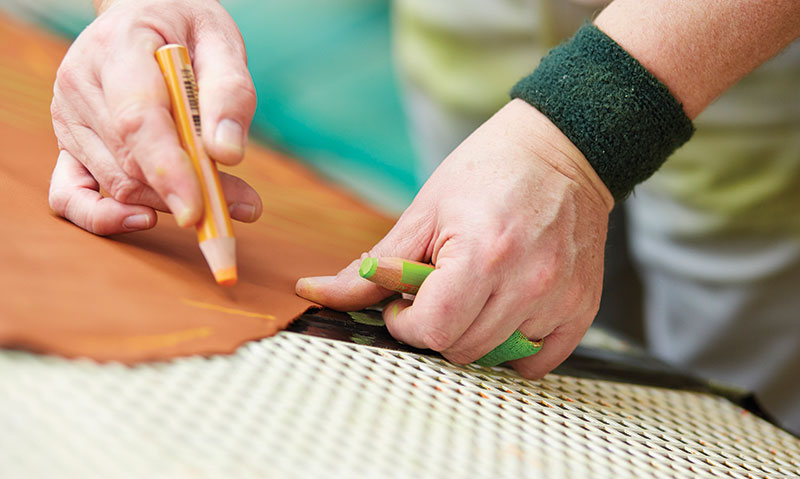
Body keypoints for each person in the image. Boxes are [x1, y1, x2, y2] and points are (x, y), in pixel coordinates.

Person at [48, 0, 800, 431]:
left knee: (740, 386)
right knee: (487, 333)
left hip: (753, 65)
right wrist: (138, 14)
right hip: (465, 37)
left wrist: (578, 137)